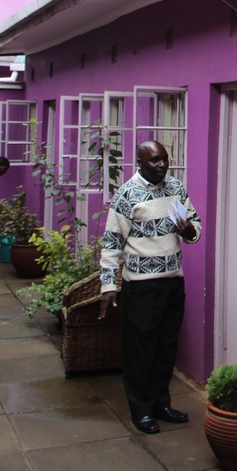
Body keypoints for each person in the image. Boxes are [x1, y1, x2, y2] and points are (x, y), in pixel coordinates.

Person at [98, 140, 201, 434]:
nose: (162, 165)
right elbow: (111, 243)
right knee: (140, 350)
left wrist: (191, 231)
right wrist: (108, 287)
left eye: (164, 159)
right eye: (155, 161)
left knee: (166, 347)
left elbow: (194, 223)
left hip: (173, 281)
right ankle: (140, 409)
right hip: (141, 287)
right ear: (140, 163)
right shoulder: (127, 195)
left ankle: (160, 403)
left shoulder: (175, 188)